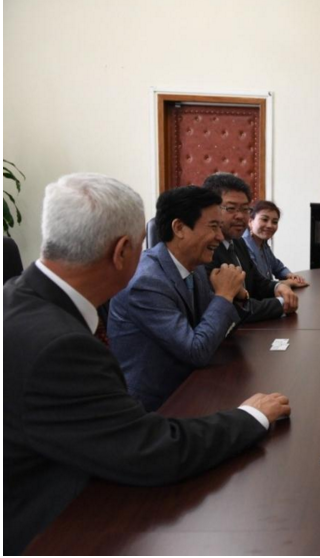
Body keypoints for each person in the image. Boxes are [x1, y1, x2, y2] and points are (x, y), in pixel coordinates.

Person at [3, 173, 291, 555]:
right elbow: (151, 451)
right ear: (122, 251)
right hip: (54, 528)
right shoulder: (61, 346)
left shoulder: (17, 297)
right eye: (142, 243)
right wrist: (251, 417)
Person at [109, 186, 248, 412]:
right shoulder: (147, 283)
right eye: (213, 226)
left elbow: (212, 328)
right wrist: (224, 295)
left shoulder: (194, 266)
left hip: (192, 384)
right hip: (156, 406)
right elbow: (196, 351)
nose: (220, 236)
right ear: (179, 228)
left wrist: (236, 296)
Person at [202, 173, 299, 322]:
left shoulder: (238, 242)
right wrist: (282, 304)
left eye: (245, 209)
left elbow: (257, 281)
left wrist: (278, 287)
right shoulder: (206, 250)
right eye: (231, 208)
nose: (240, 216)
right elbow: (235, 310)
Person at [242, 200, 307, 286]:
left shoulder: (263, 244)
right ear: (250, 221)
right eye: (264, 219)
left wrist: (290, 275)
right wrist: (289, 283)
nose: (270, 225)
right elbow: (258, 284)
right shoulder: (243, 245)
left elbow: (277, 267)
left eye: (274, 222)